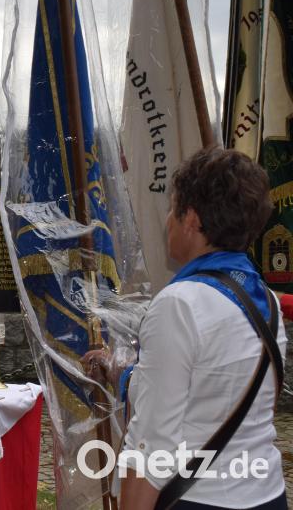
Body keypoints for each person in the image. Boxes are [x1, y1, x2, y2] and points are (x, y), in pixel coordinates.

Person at [117, 148, 287, 509]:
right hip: (267, 494)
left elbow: (150, 444)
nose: (167, 222)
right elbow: (227, 395)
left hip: (201, 500)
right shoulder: (267, 301)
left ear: (191, 219)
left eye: (171, 210)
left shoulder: (179, 303)